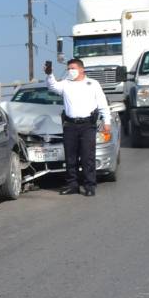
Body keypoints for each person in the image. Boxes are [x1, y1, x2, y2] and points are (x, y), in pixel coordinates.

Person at [45, 58, 111, 197]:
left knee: (87, 156)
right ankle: (72, 185)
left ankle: (89, 185)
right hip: (70, 125)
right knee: (70, 157)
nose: (70, 71)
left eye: (73, 68)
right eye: (68, 69)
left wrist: (107, 121)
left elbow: (102, 103)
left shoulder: (92, 84)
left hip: (88, 125)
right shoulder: (65, 84)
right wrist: (50, 74)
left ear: (81, 69)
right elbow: (52, 86)